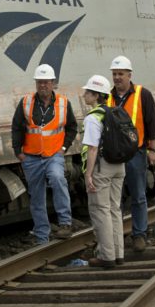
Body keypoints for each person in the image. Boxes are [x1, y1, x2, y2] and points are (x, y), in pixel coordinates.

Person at [11, 64, 78, 244]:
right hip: (31, 157)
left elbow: (72, 127)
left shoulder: (63, 103)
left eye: (46, 82)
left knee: (57, 178)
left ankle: (65, 223)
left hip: (53, 154)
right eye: (39, 82)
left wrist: (64, 148)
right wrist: (18, 152)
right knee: (36, 196)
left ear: (53, 83)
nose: (43, 86)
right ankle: (42, 236)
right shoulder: (26, 102)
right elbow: (17, 127)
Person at [107, 55, 155, 252]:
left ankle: (139, 235)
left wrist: (153, 149)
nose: (117, 77)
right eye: (114, 74)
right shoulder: (108, 97)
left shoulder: (142, 94)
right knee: (115, 198)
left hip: (136, 153)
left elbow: (152, 122)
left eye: (121, 74)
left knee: (138, 195)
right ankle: (116, 237)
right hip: (113, 156)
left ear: (129, 75)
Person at [81, 75, 125, 268]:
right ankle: (118, 253)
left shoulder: (93, 117)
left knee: (101, 211)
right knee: (115, 209)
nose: (84, 95)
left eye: (87, 92)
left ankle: (107, 256)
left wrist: (88, 174)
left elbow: (92, 149)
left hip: (102, 167)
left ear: (96, 95)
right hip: (119, 166)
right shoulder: (116, 111)